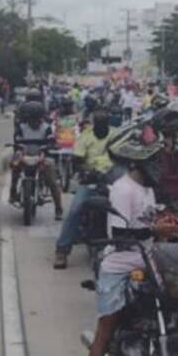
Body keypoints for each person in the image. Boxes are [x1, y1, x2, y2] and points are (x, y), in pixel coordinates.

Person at [81, 135, 164, 356]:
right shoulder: (123, 189)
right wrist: (156, 230)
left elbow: (151, 221)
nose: (159, 166)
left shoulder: (147, 188)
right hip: (118, 265)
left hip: (149, 262)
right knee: (106, 327)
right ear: (137, 163)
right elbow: (121, 234)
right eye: (154, 161)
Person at [54, 111, 118, 269]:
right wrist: (85, 171)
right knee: (76, 209)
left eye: (104, 124)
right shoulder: (85, 136)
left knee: (122, 208)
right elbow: (77, 159)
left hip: (112, 178)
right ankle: (62, 250)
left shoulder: (117, 135)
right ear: (94, 124)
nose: (101, 128)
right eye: (98, 124)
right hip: (91, 179)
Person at [8, 100, 64, 219]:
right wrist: (18, 151)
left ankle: (58, 208)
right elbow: (17, 141)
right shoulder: (21, 127)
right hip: (25, 155)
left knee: (52, 180)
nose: (35, 122)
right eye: (31, 119)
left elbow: (51, 141)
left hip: (42, 156)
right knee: (14, 166)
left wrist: (50, 146)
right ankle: (13, 192)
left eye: (37, 119)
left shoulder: (47, 128)